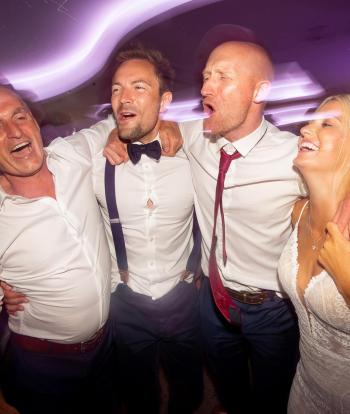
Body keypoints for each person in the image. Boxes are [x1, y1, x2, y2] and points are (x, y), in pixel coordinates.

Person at [103, 40, 306, 414]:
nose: (205, 88)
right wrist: (115, 133)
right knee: (226, 383)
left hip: (271, 308)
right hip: (211, 302)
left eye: (222, 77)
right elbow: (147, 125)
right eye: (206, 77)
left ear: (260, 90)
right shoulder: (195, 136)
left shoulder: (293, 156)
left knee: (273, 393)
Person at [3, 47, 203, 414]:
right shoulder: (90, 161)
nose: (123, 97)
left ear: (165, 101)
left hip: (184, 296)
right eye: (115, 89)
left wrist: (171, 126)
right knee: (137, 393)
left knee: (188, 387)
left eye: (138, 87)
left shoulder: (195, 150)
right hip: (124, 304)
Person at [0, 85, 117, 414]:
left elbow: (122, 120)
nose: (13, 132)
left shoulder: (72, 154)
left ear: (35, 123)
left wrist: (165, 127)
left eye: (19, 116)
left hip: (106, 346)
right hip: (43, 365)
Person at [278, 94, 350, 413]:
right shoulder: (298, 212)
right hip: (305, 388)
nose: (305, 129)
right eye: (309, 122)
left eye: (327, 123)